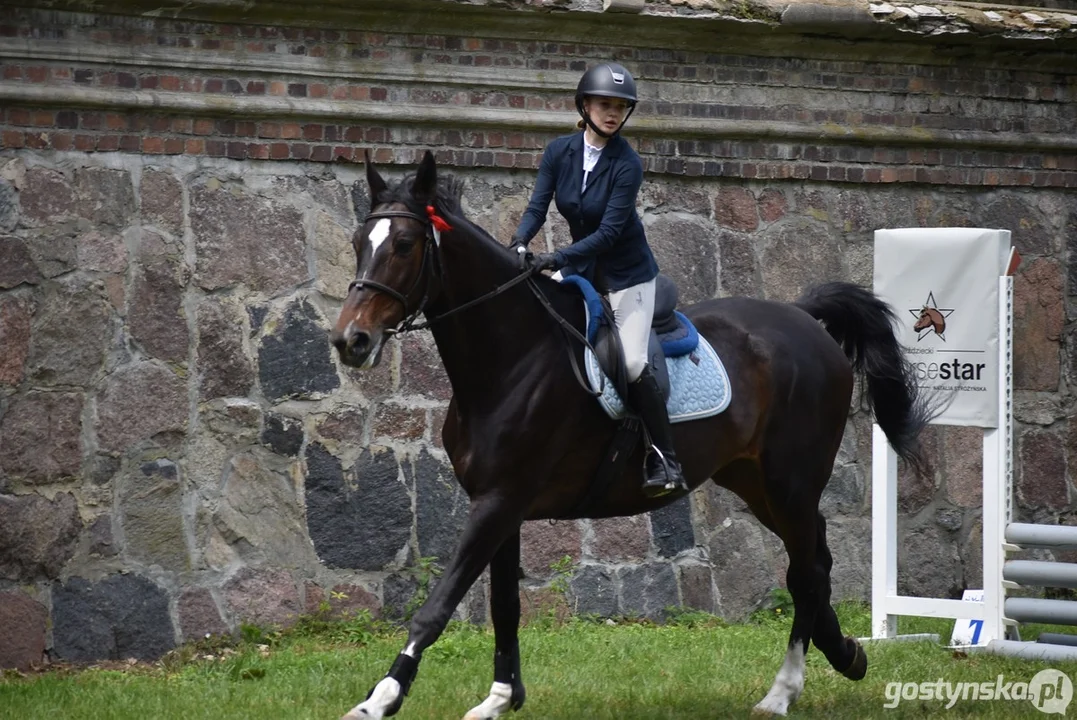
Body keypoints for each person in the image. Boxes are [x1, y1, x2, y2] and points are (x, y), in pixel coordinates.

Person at [509, 62, 687, 499]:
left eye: (620, 107)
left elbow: (608, 233)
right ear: (584, 105)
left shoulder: (628, 164)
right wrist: (518, 242)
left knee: (630, 362)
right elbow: (538, 206)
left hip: (628, 276)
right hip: (584, 269)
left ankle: (666, 458)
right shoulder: (559, 152)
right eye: (605, 104)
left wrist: (554, 257)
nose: (612, 113)